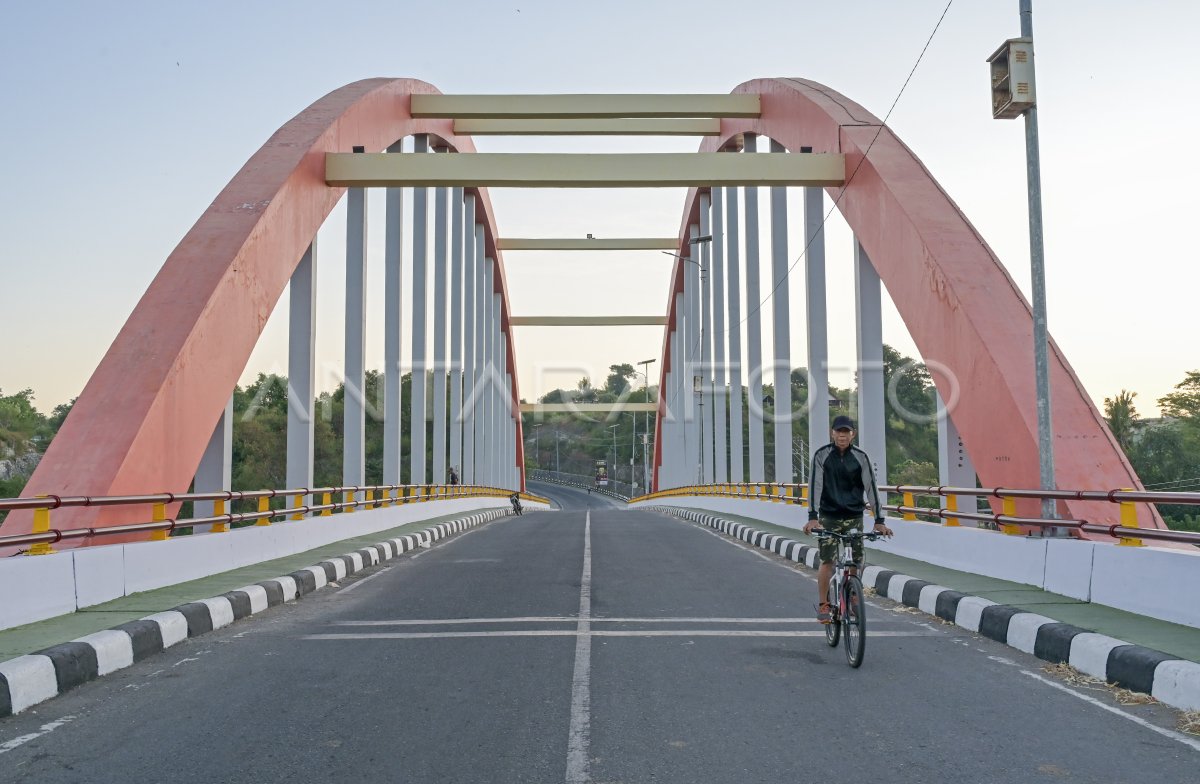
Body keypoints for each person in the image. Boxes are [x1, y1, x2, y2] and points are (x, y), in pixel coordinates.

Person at [802, 415, 894, 623]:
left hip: (854, 517)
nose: (842, 436)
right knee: (827, 561)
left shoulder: (861, 457)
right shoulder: (821, 455)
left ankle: (853, 594)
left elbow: (871, 488)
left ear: (853, 434)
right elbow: (814, 486)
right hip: (829, 517)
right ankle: (824, 603)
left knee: (857, 559)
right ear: (832, 433)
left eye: (846, 432)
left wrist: (879, 520)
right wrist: (812, 517)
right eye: (838, 432)